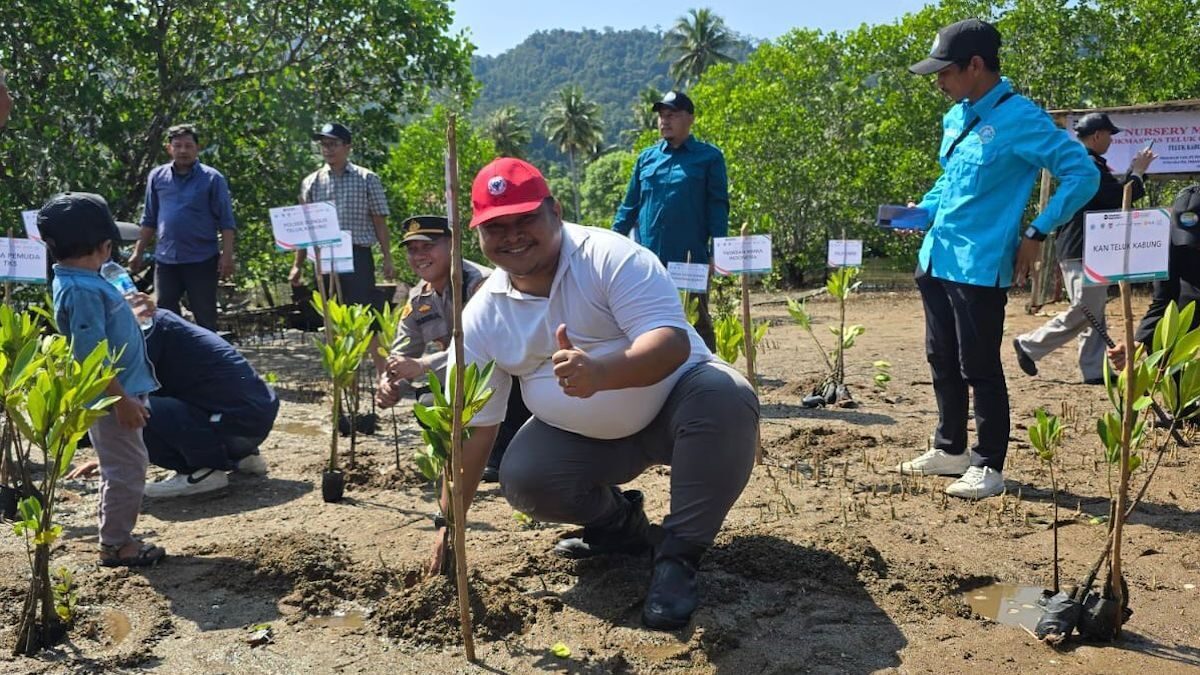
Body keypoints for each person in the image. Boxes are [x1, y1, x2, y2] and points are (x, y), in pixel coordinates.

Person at [427, 158, 758, 630]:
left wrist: (601, 373)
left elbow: (671, 342)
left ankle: (678, 557)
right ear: (477, 236)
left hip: (676, 405)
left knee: (725, 394)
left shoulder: (610, 257)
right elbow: (472, 428)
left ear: (555, 211)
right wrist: (450, 524)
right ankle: (621, 529)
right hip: (588, 441)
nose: (513, 235)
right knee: (523, 476)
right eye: (496, 226)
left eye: (526, 219)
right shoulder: (481, 317)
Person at [896, 19, 1098, 499]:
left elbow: (1081, 174)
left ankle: (988, 465)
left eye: (945, 72)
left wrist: (1037, 231)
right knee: (939, 355)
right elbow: (950, 182)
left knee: (979, 364)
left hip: (980, 263)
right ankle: (950, 449)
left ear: (976, 66)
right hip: (937, 254)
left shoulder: (1021, 118)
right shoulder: (956, 116)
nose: (939, 82)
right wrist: (919, 211)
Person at [40, 192, 165, 567]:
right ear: (106, 245)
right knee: (127, 469)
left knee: (123, 464)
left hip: (120, 392)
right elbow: (89, 354)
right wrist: (121, 400)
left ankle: (116, 534)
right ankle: (116, 544)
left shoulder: (84, 280)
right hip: (113, 396)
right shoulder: (81, 289)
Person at [375, 216, 531, 483]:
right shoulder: (418, 299)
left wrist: (423, 365)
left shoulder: (482, 284)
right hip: (467, 385)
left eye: (428, 246)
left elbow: (494, 351)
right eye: (412, 249)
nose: (419, 256)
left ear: (451, 245)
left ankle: (505, 450)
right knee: (427, 403)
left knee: (507, 380)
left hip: (514, 380)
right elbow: (402, 355)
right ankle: (467, 454)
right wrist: (390, 383)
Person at [71, 308, 279, 497]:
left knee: (131, 407)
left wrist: (114, 458)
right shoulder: (159, 320)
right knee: (158, 399)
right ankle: (241, 456)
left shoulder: (144, 332)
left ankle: (201, 473)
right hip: (251, 419)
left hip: (235, 423)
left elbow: (124, 396)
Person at [1012, 113, 1155, 384]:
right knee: (1087, 308)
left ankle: (1093, 370)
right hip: (1082, 248)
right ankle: (1029, 344)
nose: (1112, 141)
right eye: (1110, 135)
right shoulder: (1088, 164)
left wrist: (1135, 173)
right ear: (1098, 135)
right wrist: (1137, 172)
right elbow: (1118, 196)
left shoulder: (1089, 163)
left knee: (1095, 311)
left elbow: (1111, 194)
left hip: (1089, 247)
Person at [612, 91, 728, 351]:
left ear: (690, 119)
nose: (664, 121)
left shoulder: (709, 157)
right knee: (646, 319)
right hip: (647, 259)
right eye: (662, 116)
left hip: (689, 257)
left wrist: (716, 252)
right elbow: (629, 206)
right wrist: (612, 241)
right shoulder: (647, 158)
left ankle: (708, 373)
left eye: (672, 115)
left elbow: (718, 206)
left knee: (696, 319)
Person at [290, 122, 394, 371]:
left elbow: (380, 220)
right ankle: (344, 377)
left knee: (364, 316)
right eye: (324, 144)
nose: (328, 149)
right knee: (331, 318)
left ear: (347, 147)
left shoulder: (367, 178)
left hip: (357, 254)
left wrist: (388, 258)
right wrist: (298, 265)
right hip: (324, 258)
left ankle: (382, 374)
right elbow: (307, 229)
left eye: (334, 144)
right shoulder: (311, 182)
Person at [131, 124, 237, 331]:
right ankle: (177, 357)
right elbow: (149, 218)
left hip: (202, 258)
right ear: (169, 148)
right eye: (177, 146)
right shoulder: (157, 177)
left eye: (188, 146)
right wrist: (138, 252)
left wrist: (227, 255)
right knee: (164, 312)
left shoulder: (212, 178)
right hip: (166, 259)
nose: (183, 151)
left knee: (205, 314)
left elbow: (226, 221)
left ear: (197, 148)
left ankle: (209, 360)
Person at [1108, 185, 1200, 369]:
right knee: (1165, 337)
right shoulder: (1171, 246)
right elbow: (1164, 301)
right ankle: (1178, 392)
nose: (1193, 246)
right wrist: (1138, 343)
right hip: (1193, 295)